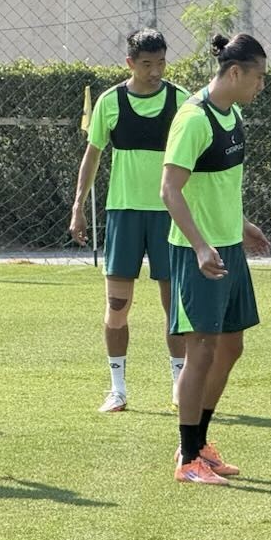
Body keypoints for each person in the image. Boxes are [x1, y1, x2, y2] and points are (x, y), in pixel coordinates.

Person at [160, 33, 271, 485]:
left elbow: (220, 185)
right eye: (258, 77)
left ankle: (200, 443)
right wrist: (201, 245)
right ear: (235, 72)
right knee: (201, 350)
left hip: (228, 247)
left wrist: (241, 225)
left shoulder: (234, 115)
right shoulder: (193, 119)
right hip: (198, 252)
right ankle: (187, 458)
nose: (261, 85)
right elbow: (169, 190)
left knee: (230, 347)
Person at [71, 30, 189, 412]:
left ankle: (180, 386)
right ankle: (117, 390)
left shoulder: (181, 101)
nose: (155, 72)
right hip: (123, 214)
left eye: (161, 63)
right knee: (117, 306)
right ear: (130, 63)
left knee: (176, 308)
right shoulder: (110, 102)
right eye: (146, 64)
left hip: (170, 215)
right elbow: (92, 156)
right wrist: (78, 206)